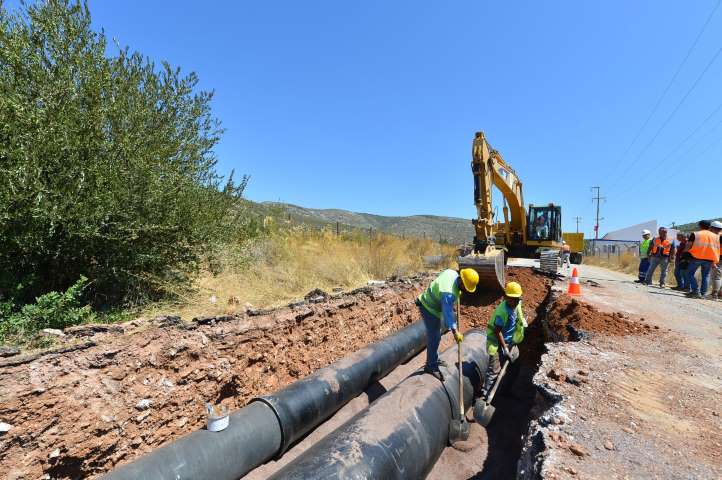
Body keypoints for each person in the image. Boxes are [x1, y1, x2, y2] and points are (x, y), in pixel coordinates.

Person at [416, 268, 479, 380]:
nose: (466, 290)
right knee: (434, 337)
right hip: (429, 308)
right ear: (462, 282)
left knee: (436, 335)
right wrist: (455, 332)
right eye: (465, 288)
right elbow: (448, 314)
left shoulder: (452, 273)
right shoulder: (448, 294)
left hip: (430, 300)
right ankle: (431, 366)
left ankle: (433, 358)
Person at [481, 281, 527, 400]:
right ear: (506, 297)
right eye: (514, 299)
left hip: (511, 341)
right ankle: (486, 397)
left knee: (514, 365)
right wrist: (505, 348)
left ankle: (505, 391)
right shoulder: (502, 312)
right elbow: (497, 331)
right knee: (494, 371)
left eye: (518, 298)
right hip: (496, 343)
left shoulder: (516, 304)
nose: (517, 301)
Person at [685, 220, 721, 299]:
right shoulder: (716, 236)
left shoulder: (696, 234)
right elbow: (717, 249)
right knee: (706, 276)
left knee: (689, 273)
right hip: (709, 259)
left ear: (700, 226)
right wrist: (714, 261)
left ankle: (695, 292)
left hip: (696, 257)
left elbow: (688, 245)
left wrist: (685, 255)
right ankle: (703, 294)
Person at [709, 221, 722, 300]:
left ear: (713, 228)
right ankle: (720, 294)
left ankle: (715, 294)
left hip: (718, 258)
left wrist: (713, 262)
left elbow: (714, 250)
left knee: (717, 277)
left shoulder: (717, 237)